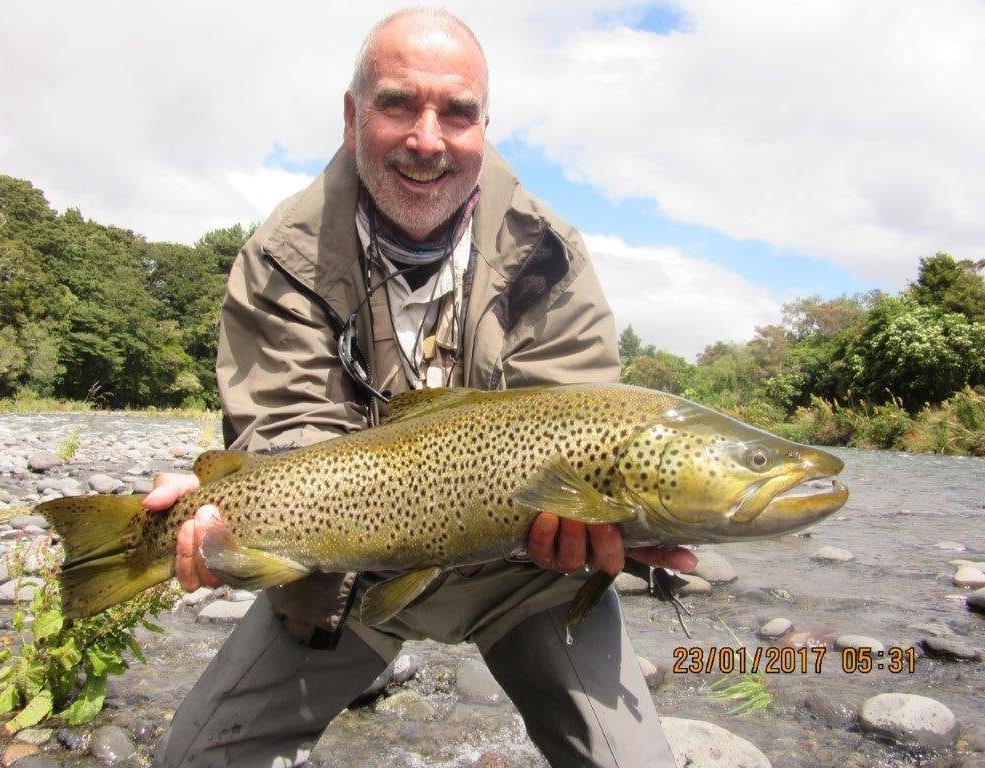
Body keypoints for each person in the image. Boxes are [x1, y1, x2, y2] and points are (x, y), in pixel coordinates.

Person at [150, 9, 696, 768]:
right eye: (398, 103)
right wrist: (235, 507)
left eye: (458, 113)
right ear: (351, 116)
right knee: (192, 759)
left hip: (524, 574)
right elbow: (285, 425)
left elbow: (582, 423)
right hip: (347, 570)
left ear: (483, 126)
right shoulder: (284, 255)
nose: (428, 139)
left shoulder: (547, 254)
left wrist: (611, 529)